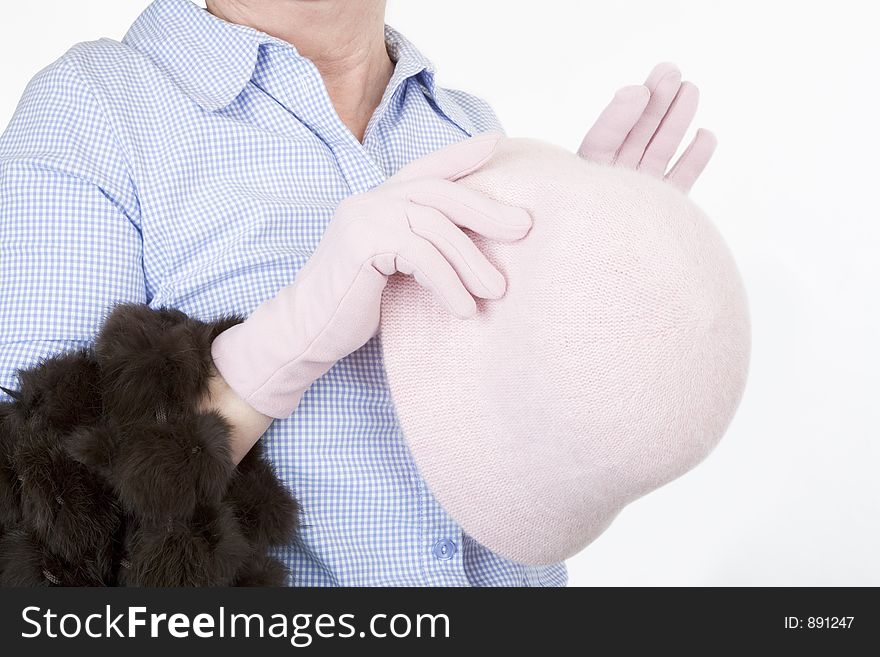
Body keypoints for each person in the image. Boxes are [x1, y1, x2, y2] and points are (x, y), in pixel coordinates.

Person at [0, 0, 714, 586]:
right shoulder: (96, 110)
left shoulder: (468, 131)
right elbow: (41, 537)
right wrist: (282, 343)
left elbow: (516, 519)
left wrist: (582, 303)